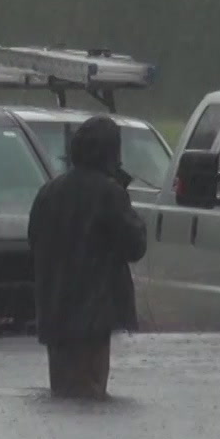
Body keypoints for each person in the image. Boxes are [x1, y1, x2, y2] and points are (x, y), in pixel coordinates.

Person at [27, 115, 147, 400]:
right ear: (111, 153)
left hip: (55, 309)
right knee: (91, 391)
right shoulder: (110, 194)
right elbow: (135, 246)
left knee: (63, 392)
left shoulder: (47, 193)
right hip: (94, 315)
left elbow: (34, 240)